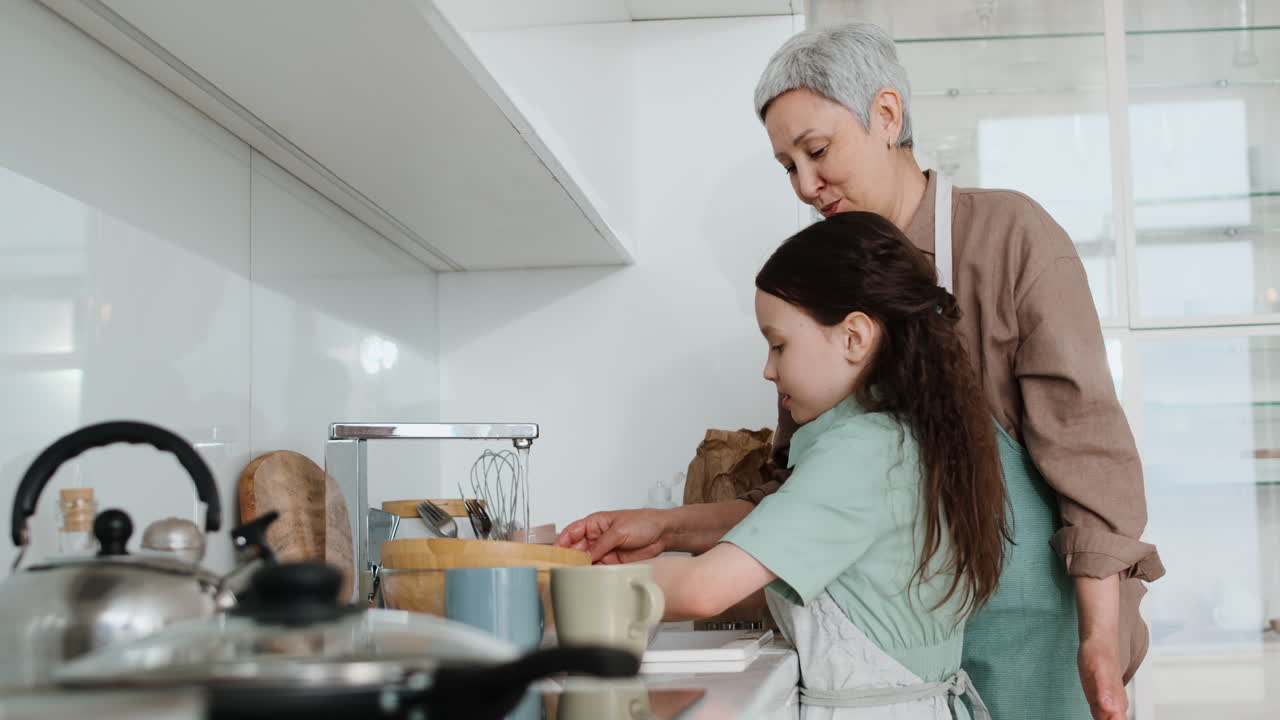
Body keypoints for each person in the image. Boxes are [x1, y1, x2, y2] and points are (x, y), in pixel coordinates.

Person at [559, 22, 1164, 720]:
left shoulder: (1008, 239)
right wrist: (672, 526)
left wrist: (1096, 636)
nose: (806, 185)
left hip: (1036, 633)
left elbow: (1089, 458)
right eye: (788, 166)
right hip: (888, 650)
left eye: (817, 151)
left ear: (885, 115)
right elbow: (811, 505)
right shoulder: (820, 284)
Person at [648, 212, 1003, 719]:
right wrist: (662, 532)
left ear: (854, 337)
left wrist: (548, 579)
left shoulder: (861, 453)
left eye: (779, 344)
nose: (768, 369)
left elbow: (704, 590)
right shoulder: (903, 440)